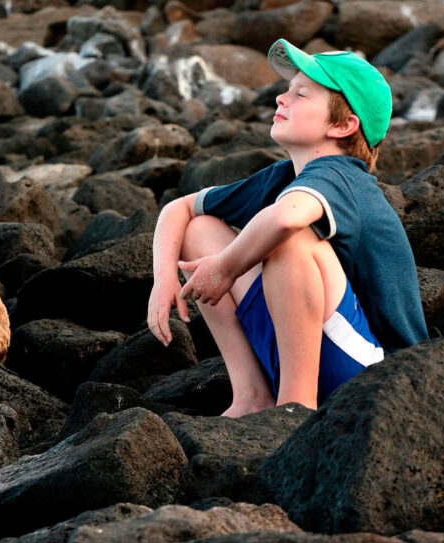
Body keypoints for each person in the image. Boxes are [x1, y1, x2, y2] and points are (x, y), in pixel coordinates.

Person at [146, 39, 428, 418]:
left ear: (344, 126)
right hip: (324, 355)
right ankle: (252, 398)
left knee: (290, 240)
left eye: (301, 94)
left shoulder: (341, 176)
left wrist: (225, 268)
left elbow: (285, 219)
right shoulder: (284, 178)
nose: (281, 99)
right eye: (287, 90)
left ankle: (293, 409)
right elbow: (178, 209)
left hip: (380, 380)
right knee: (201, 229)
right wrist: (163, 279)